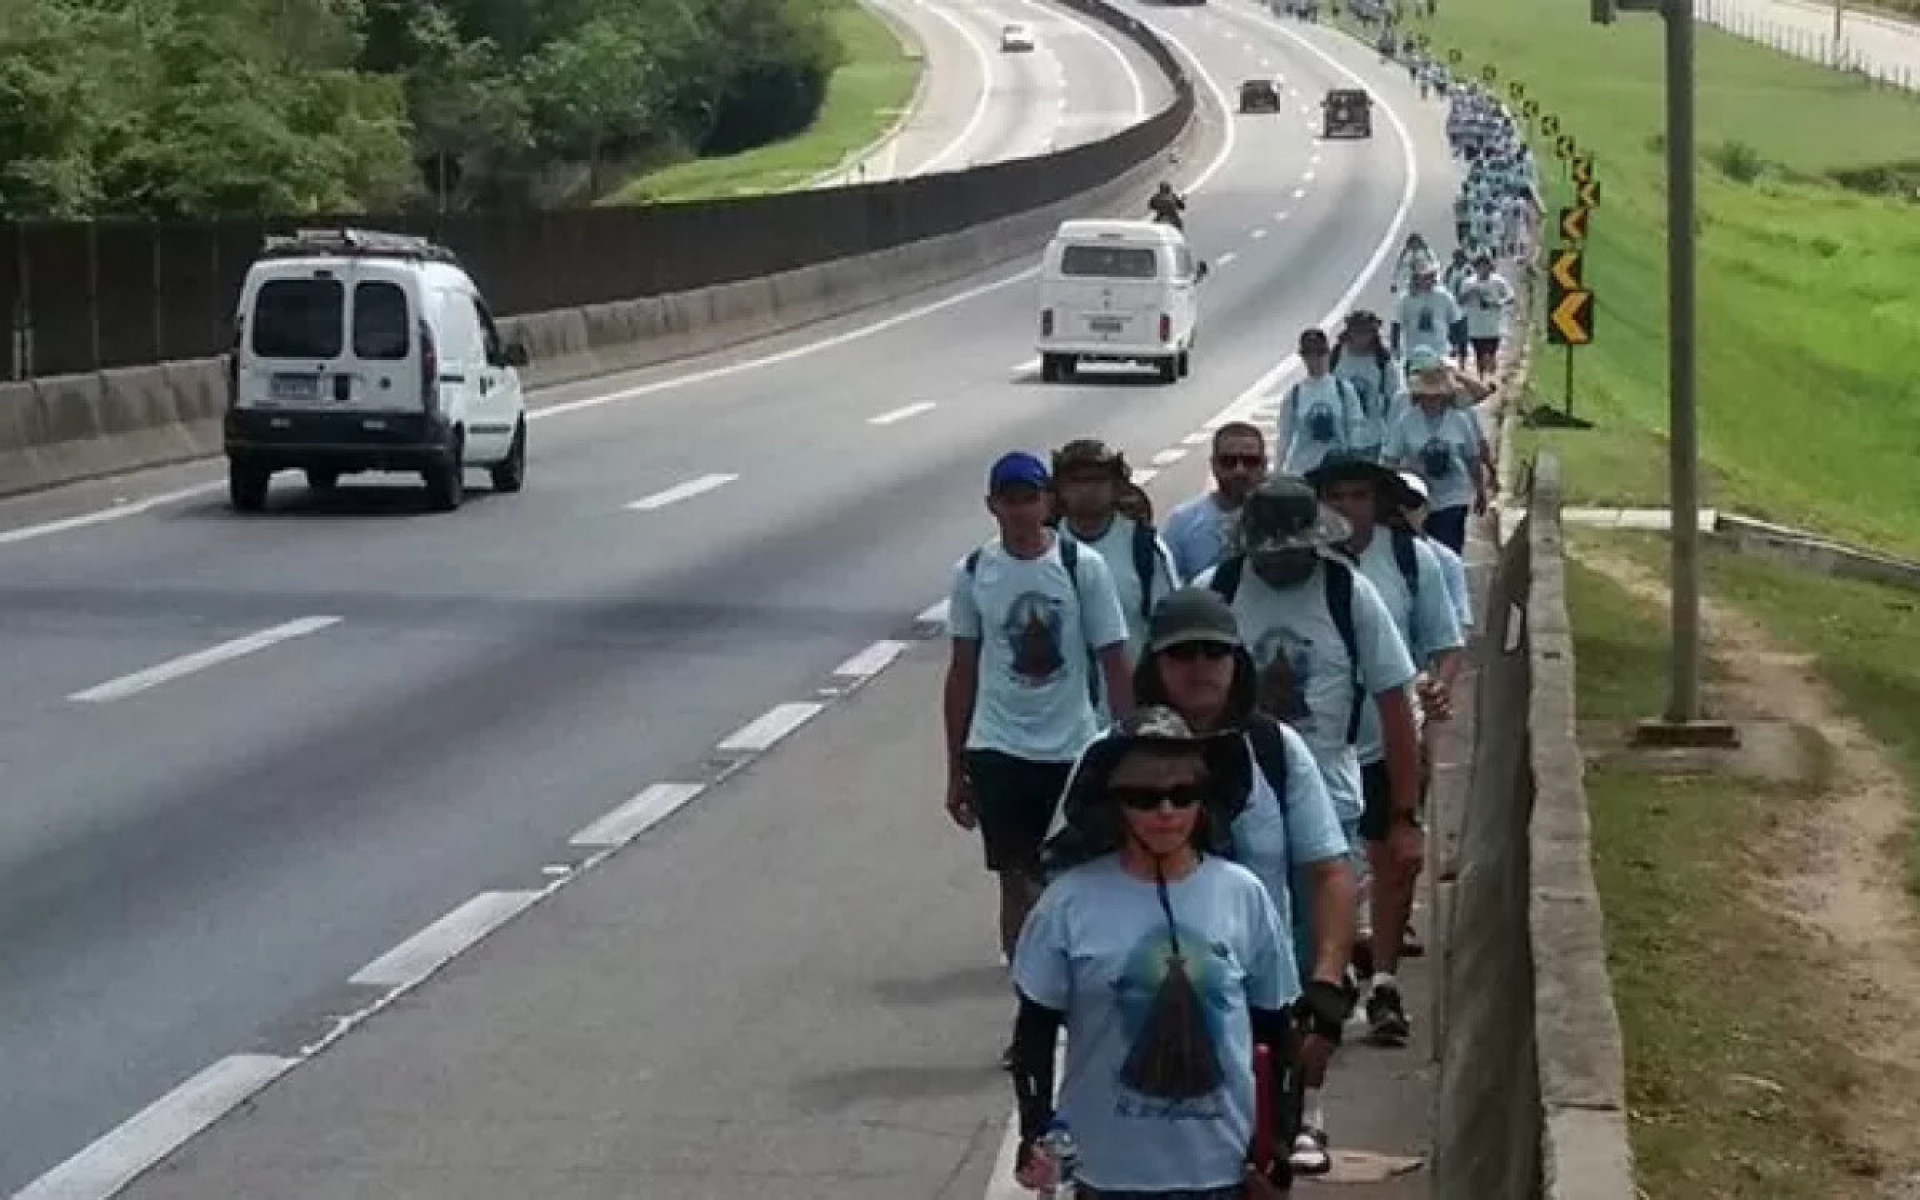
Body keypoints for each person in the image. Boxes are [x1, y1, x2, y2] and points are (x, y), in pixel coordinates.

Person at [1190, 476, 1421, 1174]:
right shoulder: (1216, 593)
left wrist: (1404, 815)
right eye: (1272, 551)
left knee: (1313, 966)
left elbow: (1395, 705)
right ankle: (1225, 1099)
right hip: (1232, 798)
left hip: (1328, 798)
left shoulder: (1349, 595)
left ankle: (1305, 1108)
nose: (1283, 562)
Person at [1009, 707, 1295, 1199]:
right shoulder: (1067, 904)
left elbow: (1276, 1028)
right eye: (1143, 797)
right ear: (1113, 804)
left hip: (1224, 1174)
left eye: (1183, 794)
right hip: (1103, 1176)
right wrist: (1034, 1128)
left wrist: (1280, 1138)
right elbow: (1034, 1031)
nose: (1166, 811)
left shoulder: (1243, 894)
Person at [943, 450, 1137, 998]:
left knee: (1078, 877)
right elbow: (962, 671)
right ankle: (1029, 996)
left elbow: (1114, 660)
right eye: (1010, 500)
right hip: (999, 747)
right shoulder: (974, 573)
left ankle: (1081, 986)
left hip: (1071, 747)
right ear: (992, 506)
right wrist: (956, 767)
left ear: (1046, 502)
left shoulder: (1081, 567)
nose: (1021, 511)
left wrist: (1129, 750)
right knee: (1016, 880)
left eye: (1030, 498)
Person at [1306, 457, 1465, 1046]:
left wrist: (1439, 687)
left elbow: (1446, 642)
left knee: (1396, 859)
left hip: (1389, 739)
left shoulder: (1411, 561)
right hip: (1321, 751)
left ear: (1378, 503)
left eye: (1359, 495)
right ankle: (1331, 967)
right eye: (1335, 496)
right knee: (1328, 866)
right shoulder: (1306, 565)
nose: (1347, 507)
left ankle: (1385, 979)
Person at [1051, 439, 1181, 674]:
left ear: (1116, 486)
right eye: (1077, 480)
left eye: (1098, 480)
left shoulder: (1143, 546)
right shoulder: (1041, 548)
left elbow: (1172, 625)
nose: (1087, 489)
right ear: (1060, 488)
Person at [1386, 354, 1493, 554]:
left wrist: (1480, 490)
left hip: (1454, 496)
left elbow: (1472, 458)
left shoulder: (1460, 420)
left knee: (1448, 548)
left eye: (1436, 396)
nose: (1431, 401)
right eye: (1426, 396)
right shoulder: (1406, 422)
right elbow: (1390, 459)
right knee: (1424, 551)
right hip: (1419, 499)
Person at [1162, 422, 1269, 582]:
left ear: (1264, 464)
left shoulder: (1285, 519)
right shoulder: (1182, 521)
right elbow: (1165, 583)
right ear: (1213, 465)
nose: (1239, 470)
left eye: (1250, 461)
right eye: (1228, 461)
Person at [1275, 328, 1365, 476]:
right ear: (1303, 357)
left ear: (1328, 354)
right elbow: (1284, 438)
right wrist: (1277, 471)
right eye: (1309, 354)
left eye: (1320, 353)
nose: (1315, 360)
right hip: (1303, 470)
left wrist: (1356, 468)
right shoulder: (1294, 395)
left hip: (1337, 470)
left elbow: (1356, 432)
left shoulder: (1344, 390)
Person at [1330, 311, 1404, 462]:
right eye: (1357, 332)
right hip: (1341, 437)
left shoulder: (1382, 360)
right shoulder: (1337, 355)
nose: (1361, 337)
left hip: (1373, 438)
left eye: (1366, 332)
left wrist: (1393, 435)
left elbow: (1395, 398)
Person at [1457, 252, 1516, 380]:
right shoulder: (1468, 283)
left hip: (1493, 327)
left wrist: (1500, 302)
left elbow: (1511, 296)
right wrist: (1469, 293)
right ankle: (1482, 379)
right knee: (1479, 356)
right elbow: (1460, 301)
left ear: (1490, 267)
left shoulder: (1498, 281)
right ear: (1476, 267)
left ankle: (1492, 378)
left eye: (1485, 266)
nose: (1483, 269)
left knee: (1490, 355)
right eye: (1479, 266)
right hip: (1475, 328)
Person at [1390, 260, 1462, 361]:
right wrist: (1395, 349)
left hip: (1440, 351)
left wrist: (1457, 345)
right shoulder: (1405, 299)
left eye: (1430, 277)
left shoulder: (1444, 296)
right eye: (1424, 277)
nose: (1428, 281)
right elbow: (1396, 324)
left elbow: (1455, 321)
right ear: (1416, 278)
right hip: (1413, 353)